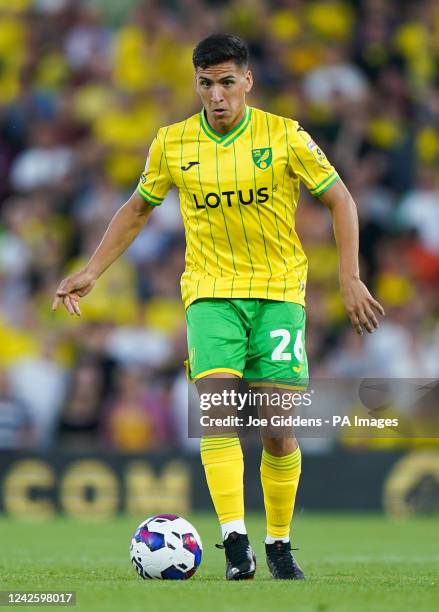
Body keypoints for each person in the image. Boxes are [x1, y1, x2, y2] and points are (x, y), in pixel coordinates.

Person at [53, 33, 385, 581]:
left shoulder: (285, 136)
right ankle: (235, 542)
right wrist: (91, 270)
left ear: (247, 81)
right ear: (197, 84)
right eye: (206, 84)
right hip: (210, 292)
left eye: (227, 82)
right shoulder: (172, 143)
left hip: (279, 294)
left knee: (278, 428)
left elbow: (340, 198)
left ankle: (278, 543)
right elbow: (137, 210)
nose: (217, 96)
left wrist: (349, 276)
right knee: (217, 412)